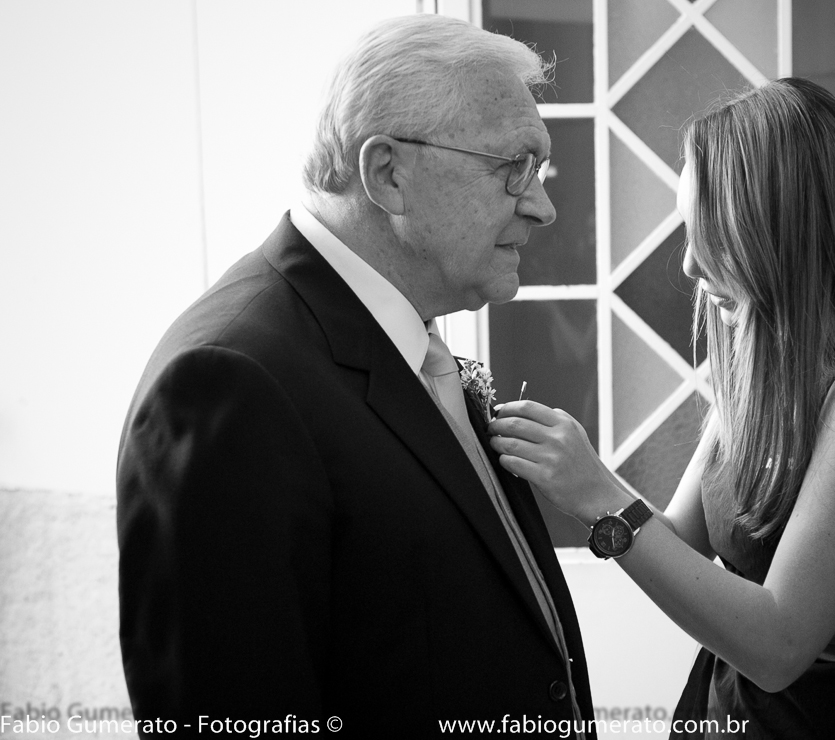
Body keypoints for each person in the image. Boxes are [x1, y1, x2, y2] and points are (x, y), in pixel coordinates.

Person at [116, 15, 595, 738]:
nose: (543, 205)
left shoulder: (405, 337)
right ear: (388, 174)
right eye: (513, 168)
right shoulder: (230, 383)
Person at [487, 78, 835, 739]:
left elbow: (777, 647)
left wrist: (599, 494)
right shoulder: (760, 378)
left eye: (710, 234)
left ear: (785, 232)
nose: (690, 265)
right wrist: (567, 479)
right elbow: (680, 542)